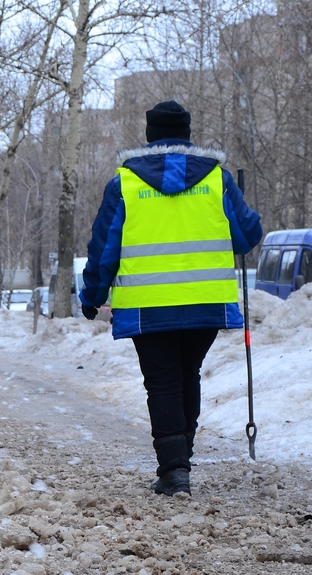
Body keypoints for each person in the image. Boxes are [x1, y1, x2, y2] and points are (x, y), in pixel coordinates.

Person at [79, 100, 262, 496]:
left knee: (162, 382)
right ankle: (181, 461)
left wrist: (92, 295)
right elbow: (246, 238)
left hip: (148, 307)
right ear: (187, 133)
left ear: (149, 136)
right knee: (187, 375)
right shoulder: (219, 179)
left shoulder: (124, 183)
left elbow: (104, 248)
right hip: (206, 301)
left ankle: (174, 469)